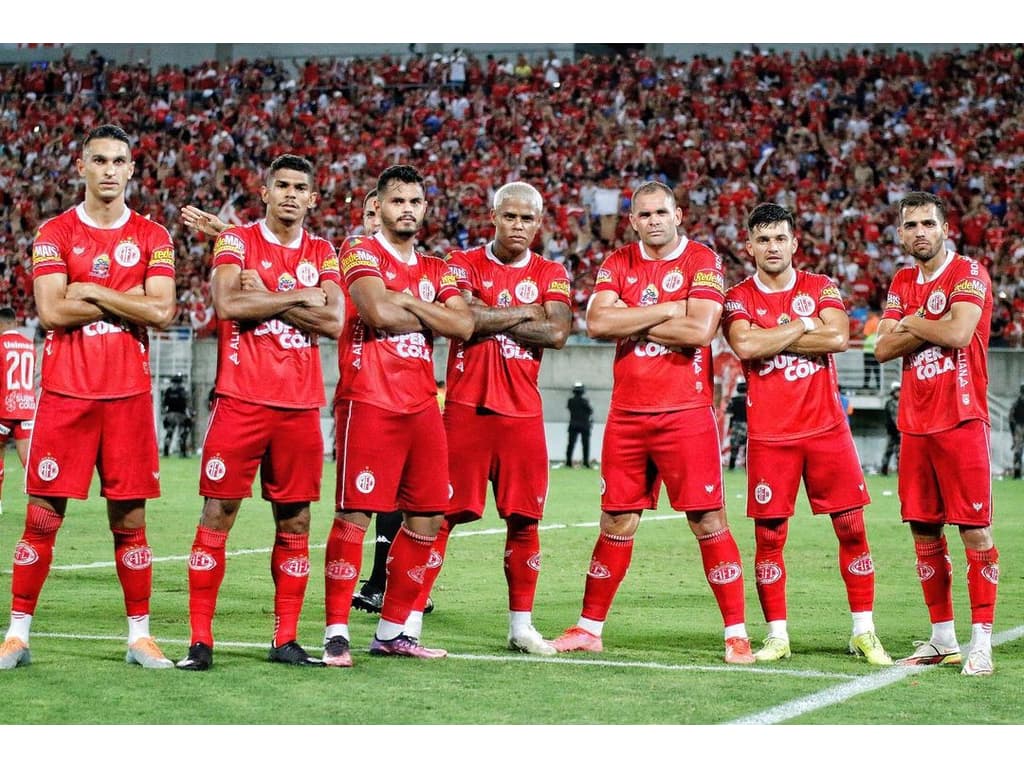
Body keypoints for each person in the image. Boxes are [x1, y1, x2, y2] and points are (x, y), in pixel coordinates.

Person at [551, 181, 754, 664]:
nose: (654, 220)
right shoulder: (617, 262)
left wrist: (632, 314)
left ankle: (736, 633)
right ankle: (589, 628)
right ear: (633, 221)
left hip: (685, 412)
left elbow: (701, 330)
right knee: (616, 520)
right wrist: (669, 308)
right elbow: (597, 324)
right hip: (627, 414)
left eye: (662, 212)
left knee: (707, 520)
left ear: (678, 214)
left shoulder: (703, 260)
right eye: (644, 215)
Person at [0, 124, 176, 671]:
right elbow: (52, 312)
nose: (108, 169)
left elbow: (163, 311)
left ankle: (140, 637)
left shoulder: (155, 236)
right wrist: (131, 299)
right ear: (81, 166)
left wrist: (93, 290)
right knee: (43, 517)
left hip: (126, 395)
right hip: (65, 394)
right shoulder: (53, 233)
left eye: (118, 160)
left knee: (130, 520)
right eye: (98, 159)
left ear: (130, 169)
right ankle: (17, 634)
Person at [176, 153, 343, 671]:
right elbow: (229, 305)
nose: (291, 194)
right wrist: (300, 296)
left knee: (295, 519)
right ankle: (200, 642)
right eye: (282, 186)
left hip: (299, 407)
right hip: (241, 401)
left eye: (301, 188)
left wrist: (267, 294)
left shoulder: (324, 249)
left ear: (313, 199)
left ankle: (286, 640)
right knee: (217, 514)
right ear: (265, 192)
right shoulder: (235, 241)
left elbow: (335, 319)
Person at [407, 181, 573, 655]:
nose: (518, 226)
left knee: (525, 521)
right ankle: (411, 619)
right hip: (465, 409)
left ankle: (521, 626)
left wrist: (488, 312)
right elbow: (465, 320)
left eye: (527, 219)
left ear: (538, 224)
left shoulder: (552, 271)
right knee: (437, 517)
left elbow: (558, 332)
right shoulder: (460, 264)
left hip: (522, 413)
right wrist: (525, 312)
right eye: (510, 217)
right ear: (494, 217)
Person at [722, 202, 891, 665]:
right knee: (770, 537)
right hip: (770, 435)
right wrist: (801, 323)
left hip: (827, 430)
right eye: (763, 239)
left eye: (780, 238)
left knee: (852, 528)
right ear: (750, 246)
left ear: (794, 243)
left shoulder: (821, 285)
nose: (772, 247)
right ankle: (777, 635)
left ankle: (864, 630)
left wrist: (772, 332)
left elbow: (838, 338)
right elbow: (745, 344)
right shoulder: (737, 297)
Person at [323, 164, 472, 665]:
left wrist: (405, 299)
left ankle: (392, 631)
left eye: (415, 202)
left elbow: (463, 324)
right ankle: (337, 632)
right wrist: (424, 309)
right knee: (355, 514)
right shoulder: (359, 250)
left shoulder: (439, 267)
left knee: (429, 518)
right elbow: (376, 313)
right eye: (397, 201)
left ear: (424, 209)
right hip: (368, 399)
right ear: (380, 207)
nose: (406, 209)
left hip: (422, 403)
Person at [875, 191, 999, 676]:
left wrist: (909, 320)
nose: (920, 232)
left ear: (945, 228)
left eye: (929, 223)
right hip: (915, 423)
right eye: (911, 225)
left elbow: (959, 334)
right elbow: (882, 347)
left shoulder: (968, 272)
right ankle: (942, 638)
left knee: (975, 530)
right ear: (902, 233)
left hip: (962, 418)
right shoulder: (902, 279)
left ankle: (981, 640)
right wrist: (926, 321)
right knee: (924, 531)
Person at [0, 307, 36, 517]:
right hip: (25, 408)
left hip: (4, 408)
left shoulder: (1, 345)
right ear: (14, 322)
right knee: (29, 462)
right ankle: (39, 508)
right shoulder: (29, 345)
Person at [160, 372, 193, 458]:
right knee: (182, 434)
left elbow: (163, 404)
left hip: (170, 415)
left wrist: (164, 414)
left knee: (169, 433)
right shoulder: (183, 391)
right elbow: (188, 404)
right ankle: (182, 453)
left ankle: (166, 452)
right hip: (181, 415)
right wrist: (191, 414)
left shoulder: (168, 391)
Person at [565, 381, 593, 468]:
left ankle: (568, 462)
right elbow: (590, 411)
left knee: (571, 444)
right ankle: (585, 462)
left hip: (573, 424)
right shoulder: (585, 401)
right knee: (585, 444)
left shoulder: (570, 401)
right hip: (584, 424)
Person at [880, 381, 902, 476]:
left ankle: (900, 471)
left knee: (899, 453)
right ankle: (884, 470)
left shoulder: (902, 402)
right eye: (897, 391)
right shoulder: (890, 403)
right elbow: (893, 418)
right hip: (893, 432)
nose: (899, 393)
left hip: (900, 431)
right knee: (888, 451)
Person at [725, 380, 747, 471]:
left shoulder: (733, 400)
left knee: (735, 446)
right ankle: (747, 466)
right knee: (747, 447)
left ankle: (731, 466)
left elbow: (728, 412)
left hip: (736, 424)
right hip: (748, 425)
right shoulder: (749, 399)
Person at [1009, 384, 1024, 479]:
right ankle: (1017, 473)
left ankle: (1017, 473)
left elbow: (1011, 418)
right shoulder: (1017, 403)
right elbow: (1011, 418)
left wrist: (1013, 432)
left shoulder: (1016, 403)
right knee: (1018, 451)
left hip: (1018, 428)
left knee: (1018, 450)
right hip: (1019, 428)